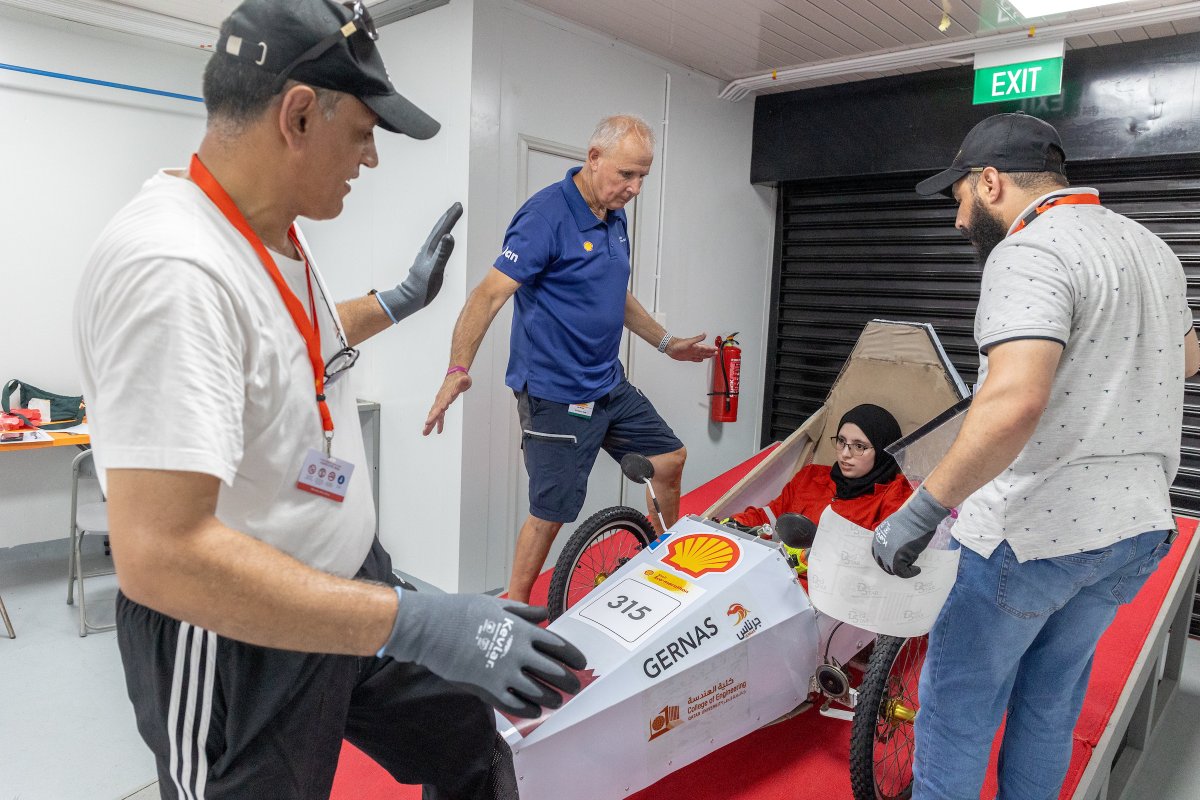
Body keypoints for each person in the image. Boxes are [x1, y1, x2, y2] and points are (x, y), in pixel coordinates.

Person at [73, 2, 584, 798]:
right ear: (299, 114)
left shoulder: (268, 228)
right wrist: (411, 623)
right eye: (364, 132)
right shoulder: (172, 270)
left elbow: (277, 346)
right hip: (235, 639)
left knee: (464, 739)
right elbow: (159, 553)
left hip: (347, 581)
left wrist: (399, 301)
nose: (371, 159)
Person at [870, 112, 1199, 799]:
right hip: (1134, 529)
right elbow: (1189, 358)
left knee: (958, 713)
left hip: (1033, 532)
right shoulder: (1151, 246)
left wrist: (921, 510)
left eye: (959, 196)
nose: (959, 220)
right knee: (1048, 706)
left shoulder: (1029, 249)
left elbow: (1015, 401)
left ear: (990, 182)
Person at [423, 114, 717, 603]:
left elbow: (614, 293)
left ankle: (659, 566)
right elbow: (488, 296)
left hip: (607, 385)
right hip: (555, 395)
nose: (636, 187)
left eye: (643, 175)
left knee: (668, 459)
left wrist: (667, 344)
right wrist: (457, 370)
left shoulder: (613, 216)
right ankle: (513, 610)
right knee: (551, 511)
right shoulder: (545, 216)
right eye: (627, 174)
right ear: (593, 158)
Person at [721, 404, 912, 569]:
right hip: (777, 577)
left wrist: (812, 556)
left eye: (859, 446)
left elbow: (875, 555)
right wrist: (733, 525)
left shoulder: (895, 495)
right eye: (841, 441)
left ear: (883, 451)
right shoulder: (811, 476)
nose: (845, 454)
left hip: (831, 601)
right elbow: (771, 516)